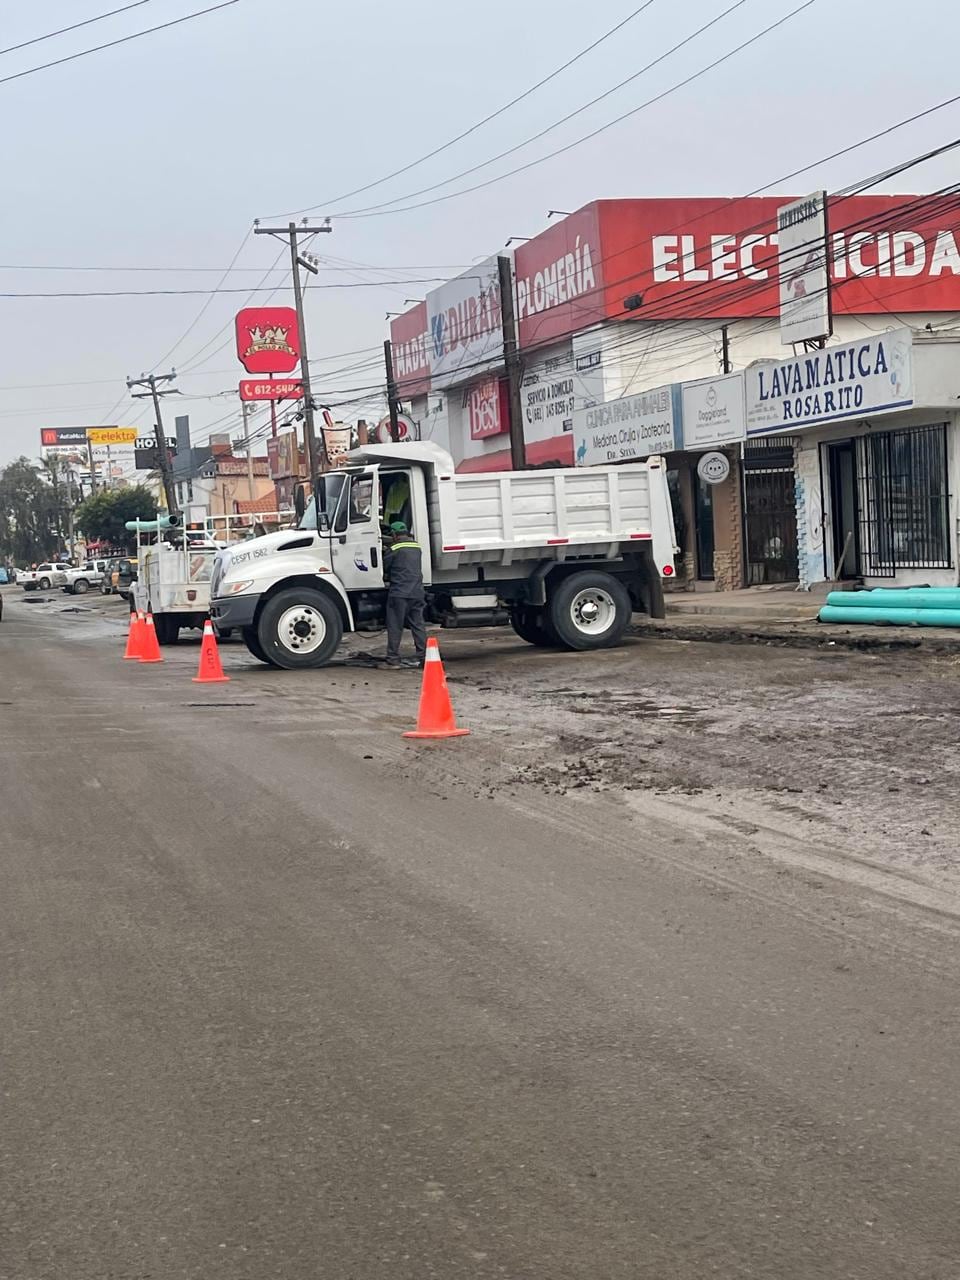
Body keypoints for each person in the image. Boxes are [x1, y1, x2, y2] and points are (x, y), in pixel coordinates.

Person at [383, 520, 426, 667]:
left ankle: (393, 657)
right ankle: (423, 655)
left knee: (395, 625)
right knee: (418, 624)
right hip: (417, 592)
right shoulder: (416, 547)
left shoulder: (395, 548)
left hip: (400, 593)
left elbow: (384, 566)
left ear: (394, 534)